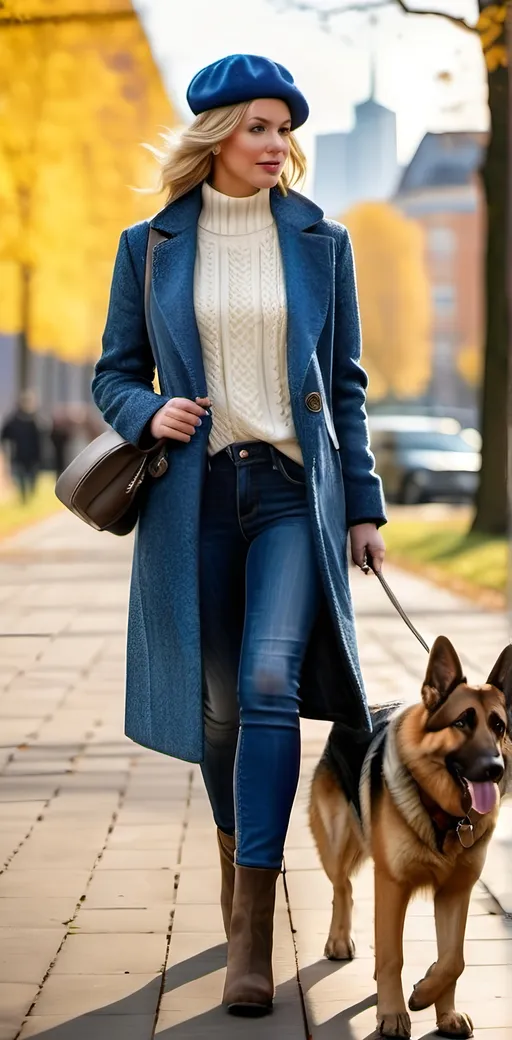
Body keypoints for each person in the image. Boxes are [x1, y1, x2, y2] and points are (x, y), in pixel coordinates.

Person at [92, 53, 386, 1017]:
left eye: (285, 129)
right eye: (258, 127)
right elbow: (112, 373)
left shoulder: (321, 241)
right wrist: (149, 412)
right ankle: (239, 864)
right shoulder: (151, 245)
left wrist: (363, 505)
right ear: (217, 135)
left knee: (268, 684)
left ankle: (252, 931)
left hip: (292, 499)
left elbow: (344, 384)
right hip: (196, 498)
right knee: (220, 708)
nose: (277, 145)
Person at [0, 390, 43, 502]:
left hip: (33, 455)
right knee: (20, 478)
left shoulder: (36, 420)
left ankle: (30, 495)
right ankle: (23, 497)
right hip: (18, 455)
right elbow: (4, 436)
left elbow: (43, 437)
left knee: (32, 477)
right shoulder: (13, 420)